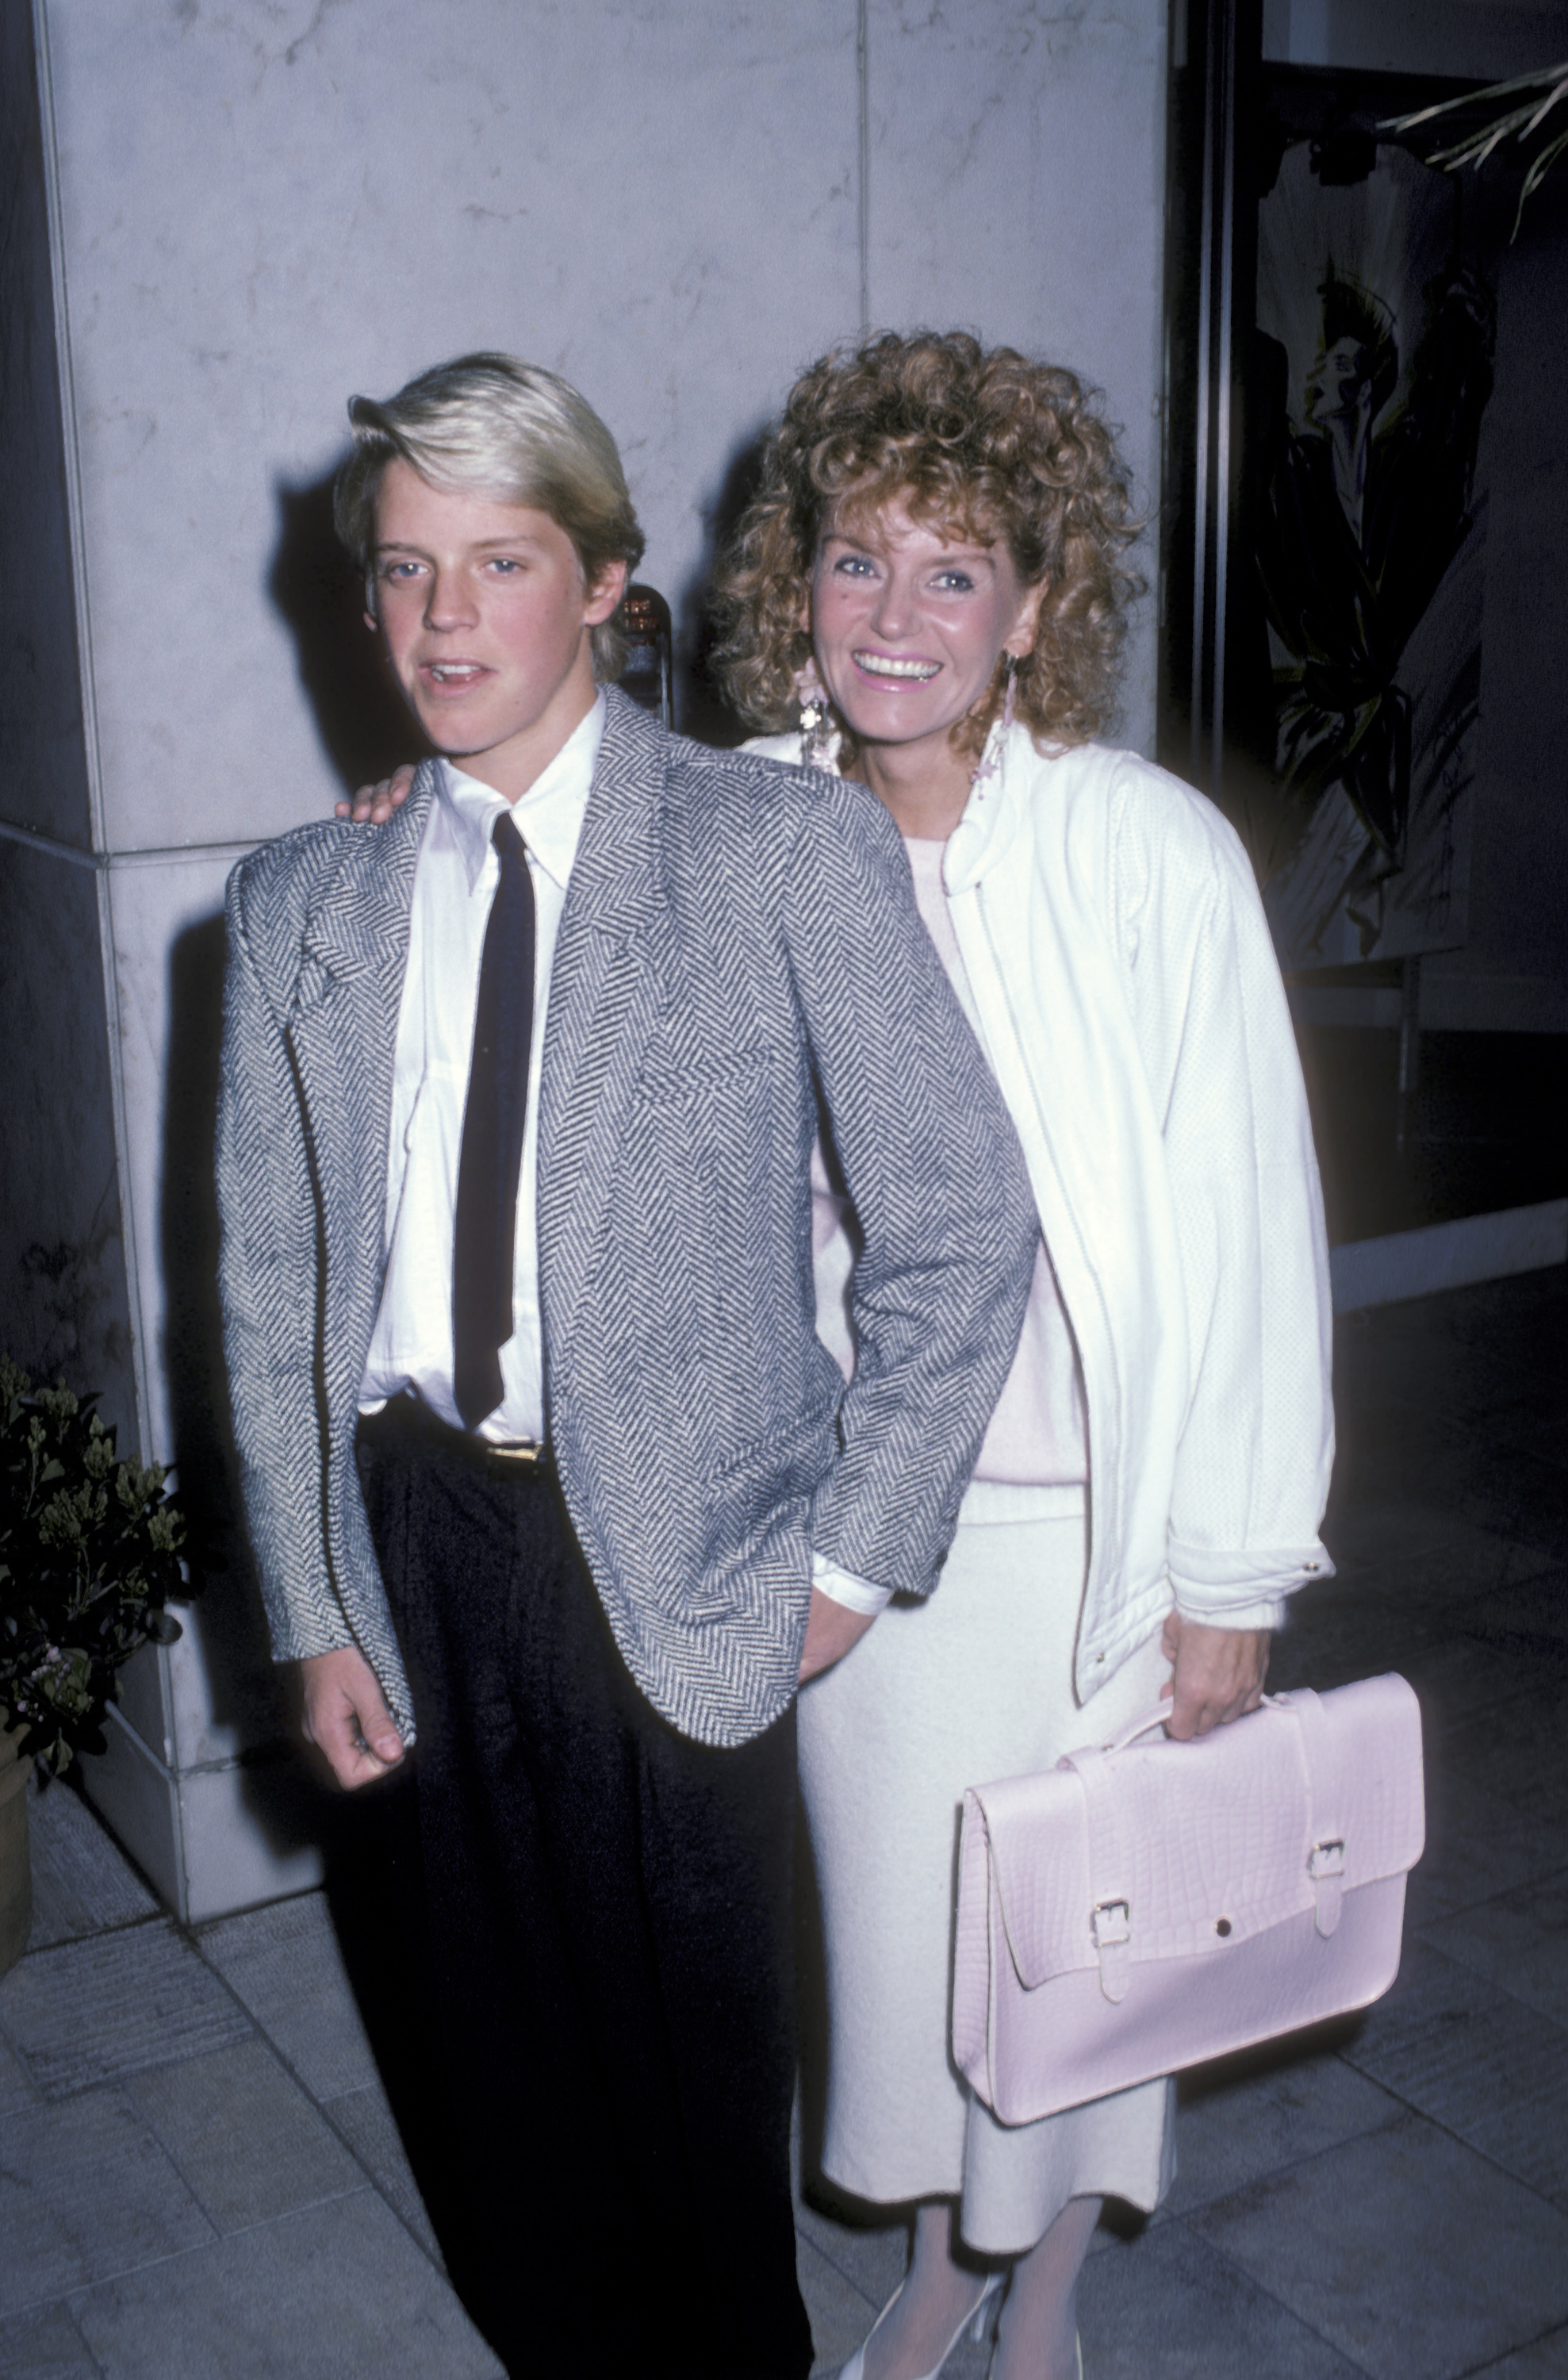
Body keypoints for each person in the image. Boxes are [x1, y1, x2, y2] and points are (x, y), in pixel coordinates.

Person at [216, 351, 1039, 2380]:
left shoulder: (769, 853)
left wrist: (850, 1564)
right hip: (411, 1539)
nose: (440, 622)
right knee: (478, 2066)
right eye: (403, 572)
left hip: (678, 1552)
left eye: (497, 564)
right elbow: (261, 1288)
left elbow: (959, 1218)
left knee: (688, 2093)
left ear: (599, 581)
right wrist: (312, 1604)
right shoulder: (304, 896)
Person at [707, 330, 1336, 2380]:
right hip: (863, 1527)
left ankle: (1034, 2295)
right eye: (858, 563)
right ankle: (936, 2268)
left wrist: (1229, 1580)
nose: (898, 619)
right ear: (794, 589)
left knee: (1087, 1956)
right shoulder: (733, 842)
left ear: (1034, 610)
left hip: (1097, 1540)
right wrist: (413, 809)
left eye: (953, 571)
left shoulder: (1145, 857)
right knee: (904, 1964)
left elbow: (1252, 1230)